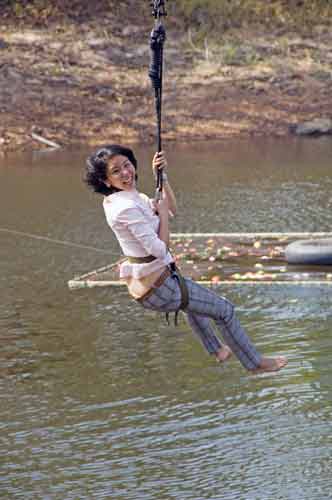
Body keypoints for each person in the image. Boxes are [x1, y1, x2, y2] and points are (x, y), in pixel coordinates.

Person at [84, 144, 287, 373]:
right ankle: (255, 363)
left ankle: (217, 350)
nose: (126, 173)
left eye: (127, 165)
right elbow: (160, 249)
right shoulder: (125, 208)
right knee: (224, 310)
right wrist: (161, 214)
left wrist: (162, 177)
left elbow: (171, 209)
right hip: (160, 288)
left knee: (193, 300)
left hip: (159, 280)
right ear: (106, 181)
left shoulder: (129, 198)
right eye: (116, 171)